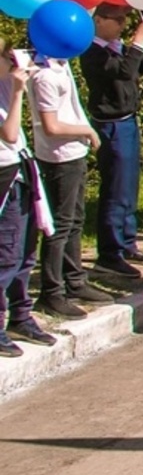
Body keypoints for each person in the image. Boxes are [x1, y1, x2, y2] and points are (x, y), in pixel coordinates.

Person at [28, 46, 110, 320]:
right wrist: (87, 130)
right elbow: (51, 126)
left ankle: (74, 280)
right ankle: (51, 293)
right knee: (60, 225)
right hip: (59, 156)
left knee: (75, 219)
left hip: (74, 152)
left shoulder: (60, 65)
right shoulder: (44, 76)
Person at [79, 5, 143, 277]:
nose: (123, 24)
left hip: (128, 120)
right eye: (118, 19)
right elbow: (123, 71)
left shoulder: (117, 46)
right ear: (99, 20)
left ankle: (127, 241)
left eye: (125, 19)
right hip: (111, 125)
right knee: (116, 188)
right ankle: (109, 253)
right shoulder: (93, 52)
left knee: (129, 186)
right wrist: (139, 39)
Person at [0, 47, 54, 353]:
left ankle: (20, 315)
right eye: (5, 57)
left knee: (25, 252)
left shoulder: (5, 82)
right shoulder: (10, 89)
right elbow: (9, 134)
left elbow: (36, 62)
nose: (11, 61)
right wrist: (18, 91)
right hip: (4, 179)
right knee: (6, 254)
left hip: (22, 173)